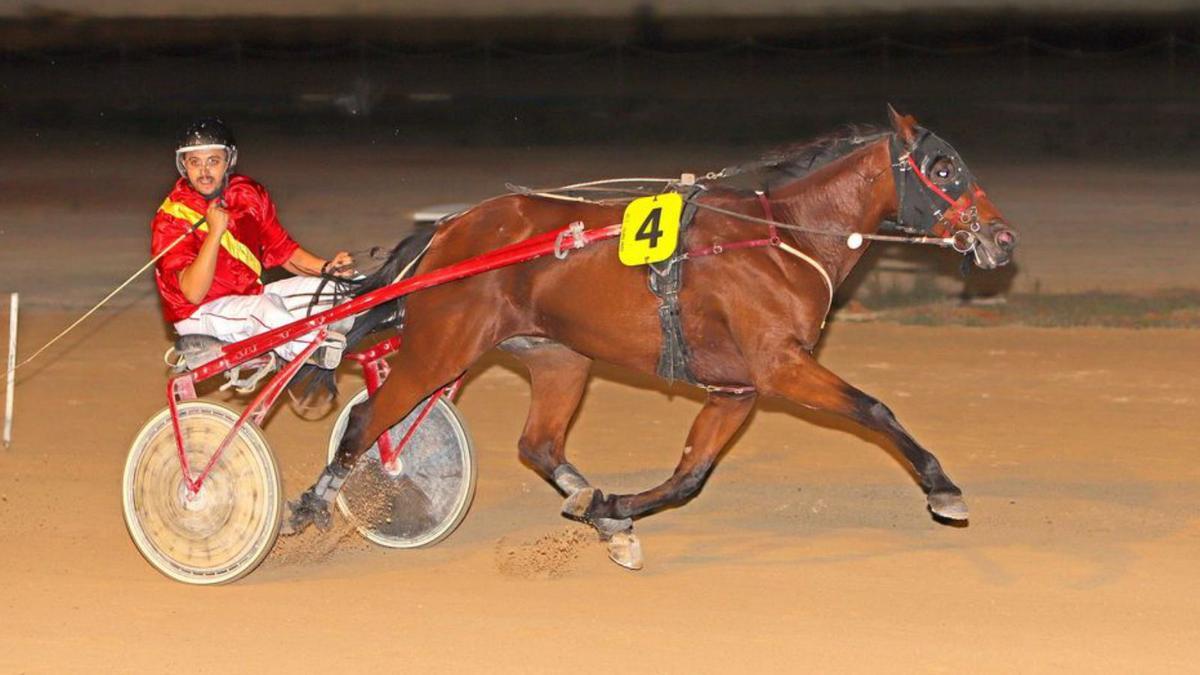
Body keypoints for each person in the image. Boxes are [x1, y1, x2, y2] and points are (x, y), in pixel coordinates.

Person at [150, 117, 355, 368]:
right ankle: (311, 351)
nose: (204, 173)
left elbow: (282, 250)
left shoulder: (248, 193)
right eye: (195, 163)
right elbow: (193, 293)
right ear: (183, 165)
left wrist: (327, 268)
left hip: (249, 297)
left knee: (334, 290)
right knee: (264, 309)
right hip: (200, 313)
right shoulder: (172, 216)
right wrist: (214, 235)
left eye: (213, 161)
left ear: (229, 161)